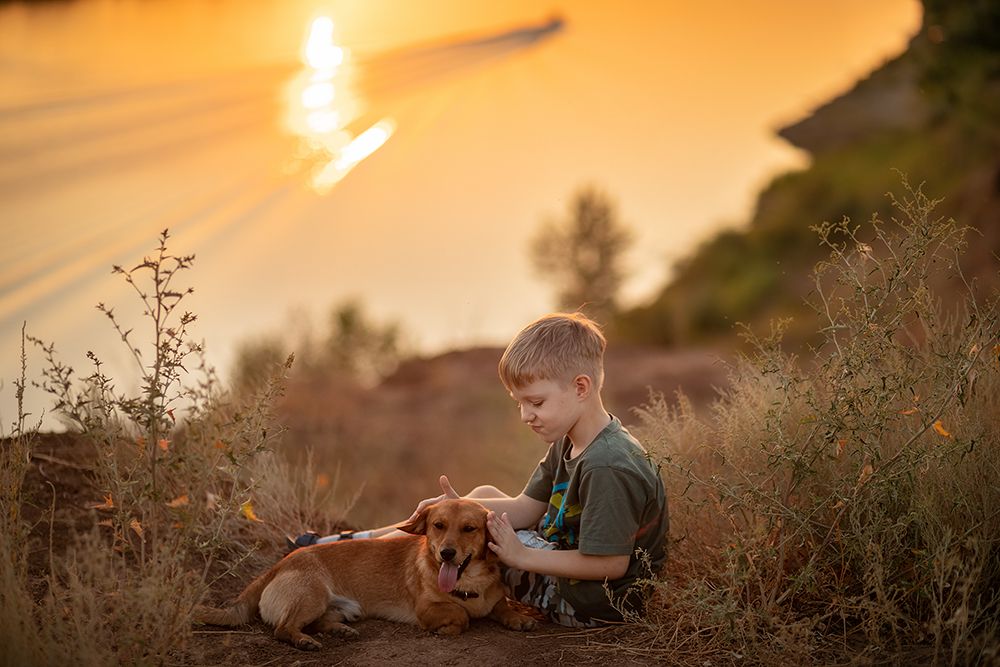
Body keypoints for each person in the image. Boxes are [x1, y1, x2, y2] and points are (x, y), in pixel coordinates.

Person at [288, 312, 668, 627]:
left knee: (457, 550)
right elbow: (526, 507)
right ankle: (343, 542)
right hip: (565, 564)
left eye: (535, 402)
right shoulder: (571, 439)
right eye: (519, 403)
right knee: (479, 499)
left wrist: (522, 557)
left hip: (594, 604)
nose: (525, 416)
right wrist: (459, 509)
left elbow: (611, 564)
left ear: (581, 387)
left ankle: (358, 563)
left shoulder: (606, 466)